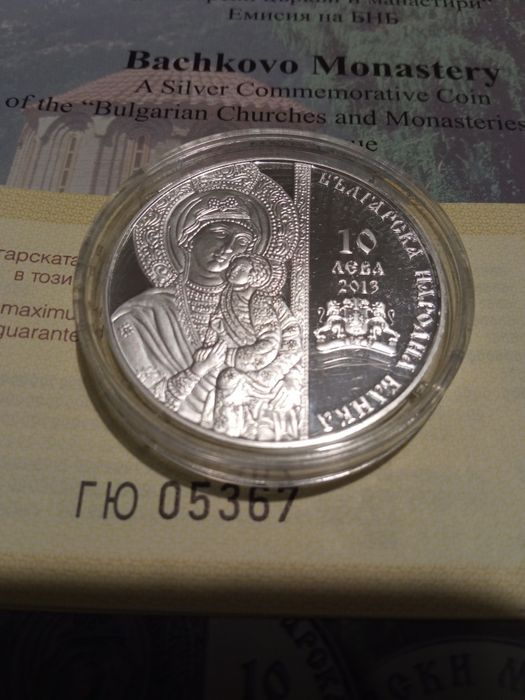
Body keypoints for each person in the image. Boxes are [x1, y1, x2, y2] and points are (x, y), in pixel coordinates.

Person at [204, 255, 302, 441]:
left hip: (273, 368)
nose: (232, 270)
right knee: (227, 379)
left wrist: (288, 377)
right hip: (236, 368)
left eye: (241, 269)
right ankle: (227, 437)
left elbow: (282, 343)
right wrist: (219, 332)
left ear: (255, 274)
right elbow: (221, 337)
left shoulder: (267, 302)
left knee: (231, 380)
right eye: (232, 266)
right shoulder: (226, 299)